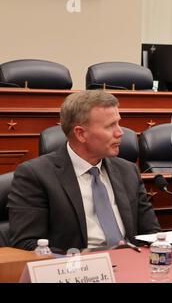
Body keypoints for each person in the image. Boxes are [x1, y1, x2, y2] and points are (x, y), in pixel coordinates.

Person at [8, 91, 160, 253]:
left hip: (132, 267)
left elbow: (151, 234)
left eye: (118, 123)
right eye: (110, 126)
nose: (120, 132)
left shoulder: (127, 171)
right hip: (77, 271)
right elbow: (26, 245)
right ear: (81, 134)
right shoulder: (35, 175)